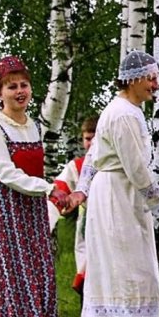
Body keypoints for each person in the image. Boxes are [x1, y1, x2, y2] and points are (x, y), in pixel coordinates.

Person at [66, 51, 159, 317]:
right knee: (137, 272)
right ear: (133, 79)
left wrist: (83, 190)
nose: (155, 84)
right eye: (150, 78)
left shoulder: (121, 111)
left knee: (112, 274)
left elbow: (91, 159)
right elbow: (138, 172)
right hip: (118, 199)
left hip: (114, 197)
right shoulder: (123, 115)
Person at [0, 56, 69, 317]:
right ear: (0, 92)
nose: (19, 91)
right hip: (5, 210)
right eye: (11, 86)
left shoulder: (33, 126)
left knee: (36, 272)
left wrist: (46, 192)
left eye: (23, 85)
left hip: (30, 209)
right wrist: (47, 188)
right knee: (10, 276)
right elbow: (6, 174)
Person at [48, 115, 97, 295]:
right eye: (88, 138)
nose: (92, 143)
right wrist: (45, 225)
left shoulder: (117, 164)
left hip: (115, 228)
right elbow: (58, 192)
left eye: (96, 137)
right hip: (88, 230)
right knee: (88, 286)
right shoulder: (76, 167)